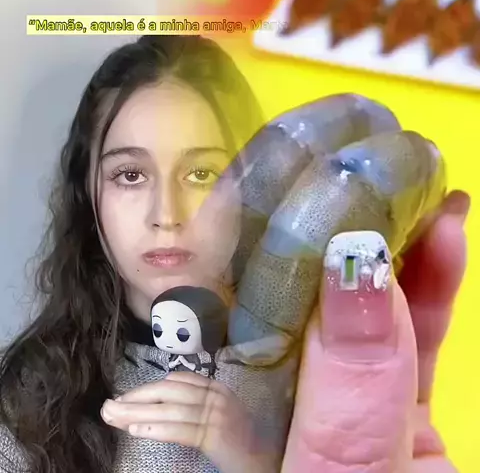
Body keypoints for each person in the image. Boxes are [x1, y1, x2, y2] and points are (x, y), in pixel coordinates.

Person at [0, 33, 470, 473]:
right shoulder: (26, 400)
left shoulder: (321, 370)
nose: (167, 214)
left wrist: (253, 456)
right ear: (88, 194)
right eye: (130, 175)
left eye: (203, 174)